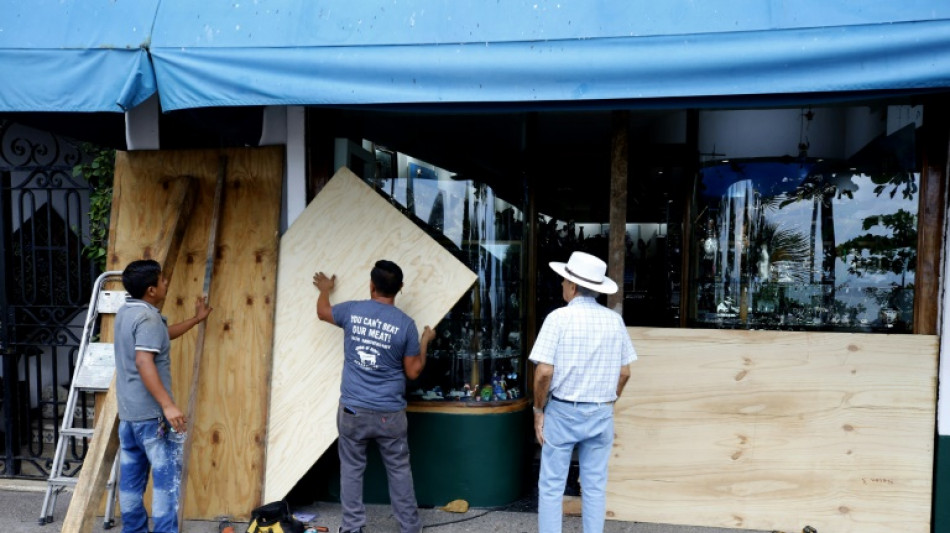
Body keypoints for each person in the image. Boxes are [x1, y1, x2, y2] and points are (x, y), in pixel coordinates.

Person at [313, 260, 435, 533]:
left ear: (371, 285)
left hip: (352, 411)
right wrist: (426, 340)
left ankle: (353, 527)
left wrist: (325, 289)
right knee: (399, 471)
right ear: (400, 289)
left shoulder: (353, 310)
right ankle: (410, 528)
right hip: (389, 415)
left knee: (352, 470)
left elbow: (322, 312)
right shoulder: (405, 325)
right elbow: (413, 371)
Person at [529, 251, 637, 533]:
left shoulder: (558, 318)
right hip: (600, 411)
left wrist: (539, 411)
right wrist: (609, 400)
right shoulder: (614, 321)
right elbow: (625, 372)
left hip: (564, 410)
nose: (562, 285)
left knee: (552, 486)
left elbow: (543, 372)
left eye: (564, 281)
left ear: (573, 286)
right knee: (594, 486)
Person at [114, 259, 213, 533]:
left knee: (131, 484)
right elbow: (144, 361)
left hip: (130, 417)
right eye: (162, 280)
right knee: (165, 487)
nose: (166, 282)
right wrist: (168, 406)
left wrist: (195, 319)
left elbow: (160, 336)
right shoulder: (147, 317)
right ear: (151, 290)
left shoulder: (128, 312)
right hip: (153, 419)